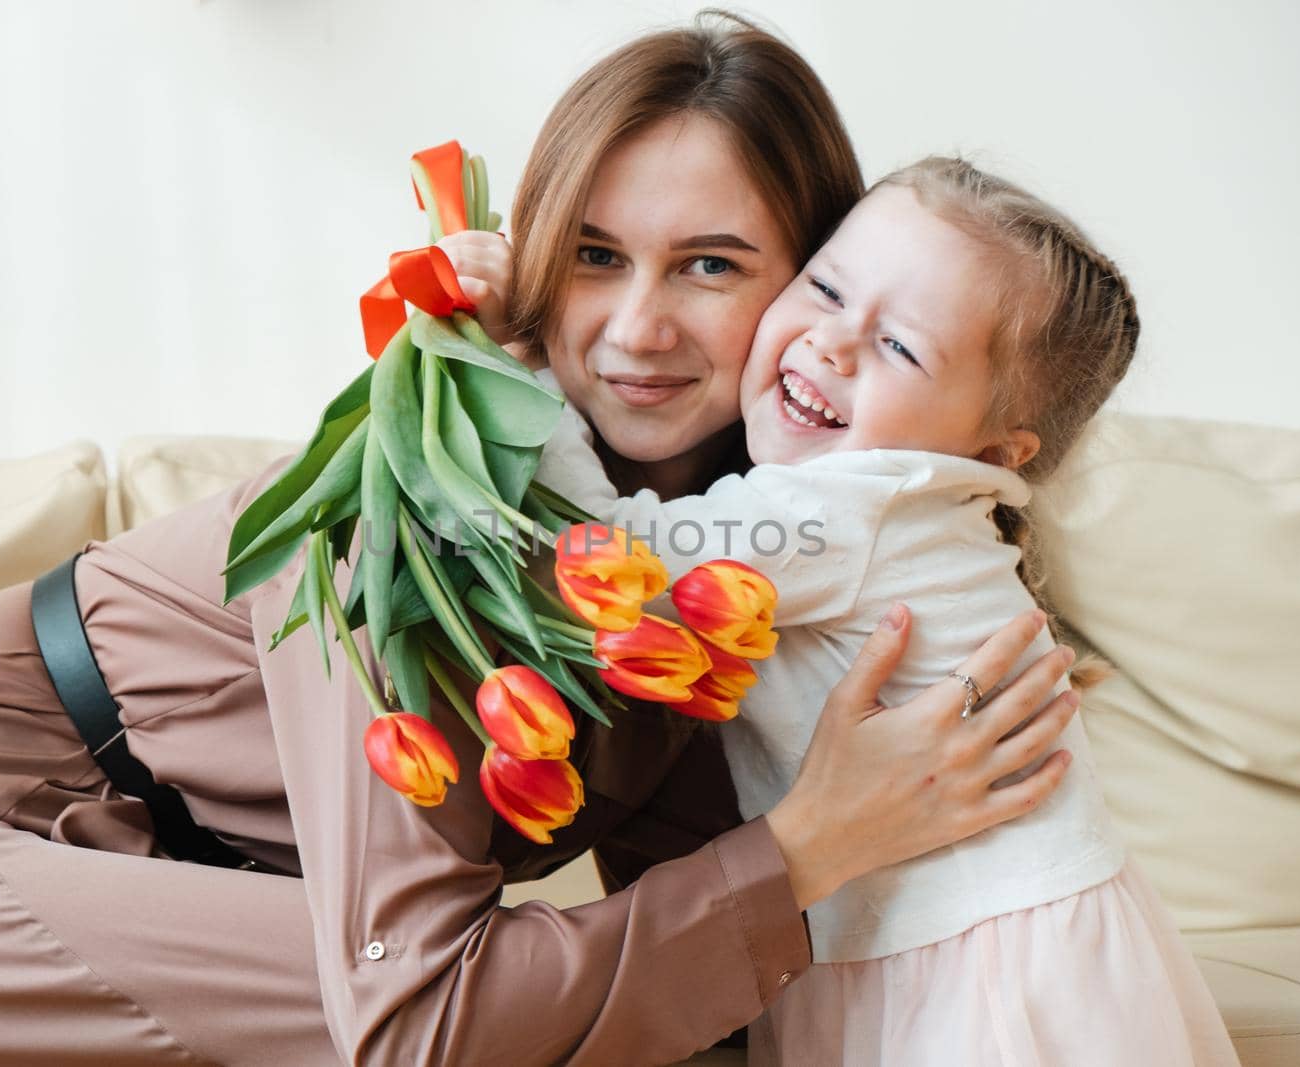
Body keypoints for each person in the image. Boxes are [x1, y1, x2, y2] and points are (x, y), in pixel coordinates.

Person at [0, 16, 1082, 1066]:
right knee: (440, 1019)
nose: (634, 329)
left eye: (708, 265)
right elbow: (428, 1019)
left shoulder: (733, 551)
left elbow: (693, 930)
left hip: (170, 887)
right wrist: (812, 843)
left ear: (808, 281)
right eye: (591, 254)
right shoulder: (415, 488)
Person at [528, 158, 1240, 1064]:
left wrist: (522, 379)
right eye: (825, 286)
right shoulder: (905, 503)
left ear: (994, 443)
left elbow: (615, 554)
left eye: (901, 346)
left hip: (974, 970)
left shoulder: (854, 505)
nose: (833, 341)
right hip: (941, 939)